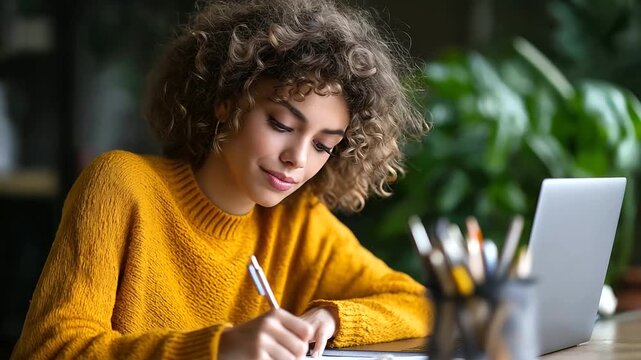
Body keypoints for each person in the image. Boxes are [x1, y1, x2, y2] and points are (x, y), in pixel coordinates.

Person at [11, 0, 432, 358]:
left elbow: (420, 304)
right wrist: (218, 348)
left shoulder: (299, 223)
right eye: (282, 124)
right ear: (228, 102)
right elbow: (49, 348)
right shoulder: (122, 185)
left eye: (323, 145)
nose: (296, 159)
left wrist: (333, 317)